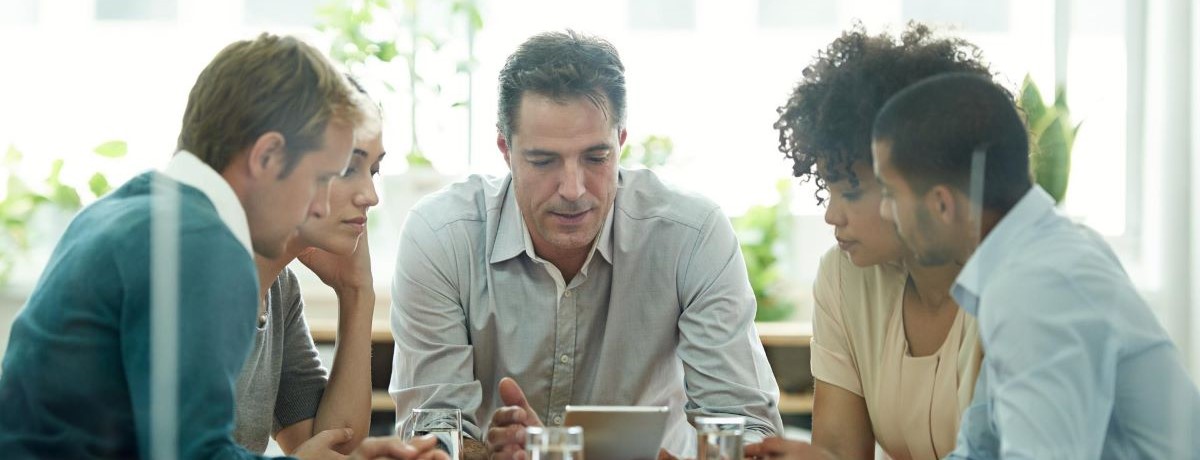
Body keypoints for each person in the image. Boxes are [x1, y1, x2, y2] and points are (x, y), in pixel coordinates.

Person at [0, 33, 445, 460]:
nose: (319, 201)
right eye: (321, 177)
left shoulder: (140, 211)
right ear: (267, 157)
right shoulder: (198, 243)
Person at [388, 30, 783, 460]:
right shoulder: (442, 236)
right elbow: (431, 428)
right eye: (543, 161)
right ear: (506, 149)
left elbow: (742, 423)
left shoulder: (691, 235)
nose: (573, 189)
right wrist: (486, 455)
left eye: (596, 158)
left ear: (621, 143)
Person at [870, 72, 1200, 458]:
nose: (884, 211)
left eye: (891, 193)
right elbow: (981, 449)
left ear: (942, 205)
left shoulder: (1035, 286)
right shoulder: (1040, 257)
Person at [745, 24, 989, 460]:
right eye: (828, 188)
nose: (831, 214)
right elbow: (838, 452)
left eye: (852, 191)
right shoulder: (844, 276)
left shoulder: (1012, 284)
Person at [233, 76, 385, 456]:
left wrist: (356, 294)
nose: (371, 196)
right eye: (348, 169)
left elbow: (336, 446)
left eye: (374, 171)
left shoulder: (279, 290)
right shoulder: (199, 277)